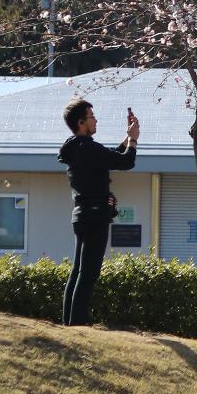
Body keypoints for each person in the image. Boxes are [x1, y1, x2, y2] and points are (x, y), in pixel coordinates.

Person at [58, 97, 138, 327]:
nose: (96, 120)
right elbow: (125, 162)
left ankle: (69, 324)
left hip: (81, 215)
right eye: (92, 117)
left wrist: (127, 138)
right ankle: (78, 325)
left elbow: (110, 156)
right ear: (82, 122)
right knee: (89, 273)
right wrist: (133, 140)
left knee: (77, 272)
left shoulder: (75, 148)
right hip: (95, 216)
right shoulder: (88, 148)